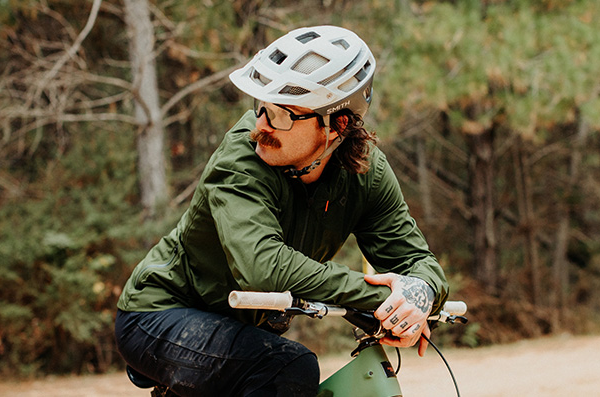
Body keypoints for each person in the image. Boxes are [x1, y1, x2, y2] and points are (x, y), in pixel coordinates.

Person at [115, 25, 449, 396]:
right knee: (287, 367)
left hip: (242, 327)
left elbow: (417, 261)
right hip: (158, 313)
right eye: (261, 107)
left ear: (337, 124)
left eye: (281, 114)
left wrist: (418, 296)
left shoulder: (366, 174)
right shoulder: (240, 161)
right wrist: (384, 299)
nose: (260, 125)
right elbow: (263, 267)